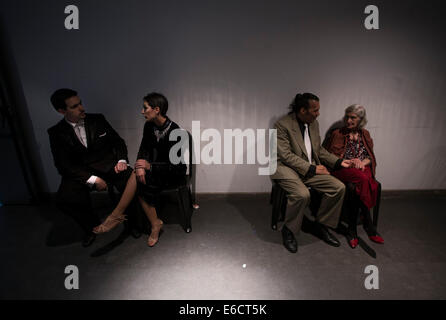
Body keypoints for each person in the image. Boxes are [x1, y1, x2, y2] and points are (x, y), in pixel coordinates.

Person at [48, 88, 141, 247]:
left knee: (132, 179)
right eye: (74, 106)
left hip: (108, 165)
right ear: (61, 111)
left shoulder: (98, 119)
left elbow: (117, 142)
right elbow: (62, 164)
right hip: (81, 172)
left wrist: (121, 159)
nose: (81, 108)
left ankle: (133, 223)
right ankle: (91, 227)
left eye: (80, 103)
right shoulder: (56, 132)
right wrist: (92, 179)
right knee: (65, 199)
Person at [93, 92, 186, 247]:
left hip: (171, 173)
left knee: (138, 180)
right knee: (138, 175)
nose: (142, 111)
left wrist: (149, 166)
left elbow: (177, 167)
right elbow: (143, 150)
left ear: (157, 109)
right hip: (154, 170)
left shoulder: (175, 131)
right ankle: (154, 224)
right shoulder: (149, 126)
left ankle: (119, 216)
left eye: (145, 108)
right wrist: (140, 167)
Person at [271, 93, 351, 253]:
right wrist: (313, 168)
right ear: (302, 110)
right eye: (315, 110)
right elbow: (285, 156)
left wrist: (337, 161)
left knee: (338, 188)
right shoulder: (282, 125)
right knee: (302, 195)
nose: (318, 113)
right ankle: (289, 230)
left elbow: (318, 150)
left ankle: (321, 225)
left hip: (309, 168)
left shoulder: (314, 124)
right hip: (286, 168)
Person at [325, 104, 384, 248]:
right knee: (364, 180)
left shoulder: (365, 134)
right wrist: (352, 162)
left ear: (360, 119)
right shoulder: (338, 133)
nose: (348, 120)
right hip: (343, 168)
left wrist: (362, 162)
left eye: (353, 117)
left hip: (361, 168)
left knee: (356, 186)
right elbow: (332, 157)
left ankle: (352, 229)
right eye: (347, 116)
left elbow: (370, 156)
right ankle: (368, 224)